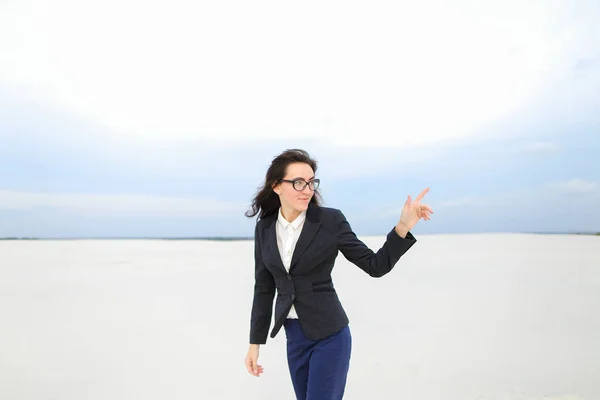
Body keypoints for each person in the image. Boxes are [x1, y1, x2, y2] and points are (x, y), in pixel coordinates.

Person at [244, 149, 433, 399]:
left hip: (329, 336)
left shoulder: (330, 221)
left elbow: (374, 265)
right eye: (298, 182)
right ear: (277, 186)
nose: (307, 189)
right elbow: (264, 287)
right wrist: (255, 344)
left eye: (311, 182)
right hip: (294, 336)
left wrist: (402, 228)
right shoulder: (265, 228)